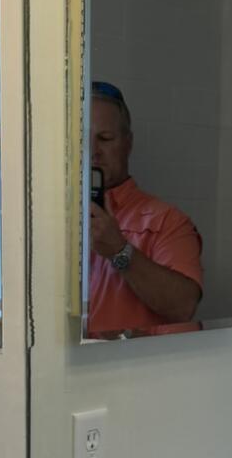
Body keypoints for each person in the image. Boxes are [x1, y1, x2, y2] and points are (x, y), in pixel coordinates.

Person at [86, 81, 203, 336]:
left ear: (128, 143)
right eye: (82, 140)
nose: (93, 152)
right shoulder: (48, 219)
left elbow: (184, 307)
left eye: (105, 138)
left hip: (139, 372)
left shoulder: (167, 221)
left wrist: (119, 250)